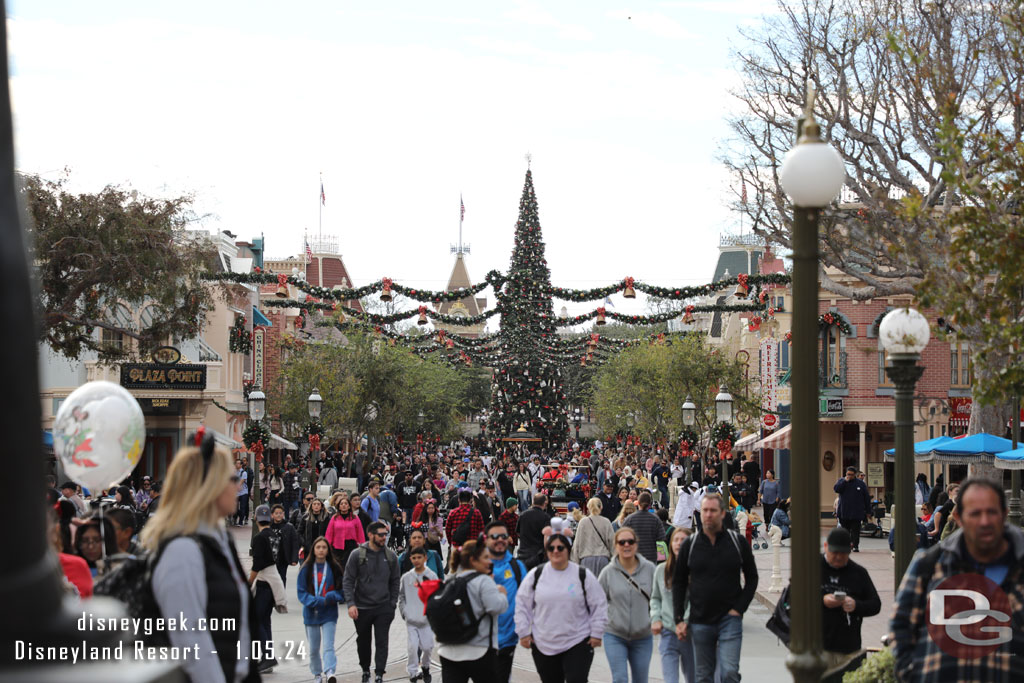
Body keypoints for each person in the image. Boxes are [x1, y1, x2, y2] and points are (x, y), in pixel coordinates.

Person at [142, 432, 260, 682]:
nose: (238, 484)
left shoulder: (219, 539)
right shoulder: (182, 551)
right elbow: (192, 648)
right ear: (210, 486)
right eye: (232, 478)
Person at [891, 477, 1024, 681]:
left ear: (1004, 515)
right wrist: (911, 674)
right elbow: (901, 625)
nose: (985, 521)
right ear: (958, 517)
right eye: (975, 513)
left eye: (991, 512)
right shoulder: (930, 564)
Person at [673, 493, 758, 683]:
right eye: (705, 510)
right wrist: (678, 618)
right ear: (699, 513)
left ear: (721, 514)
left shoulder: (737, 542)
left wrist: (739, 608)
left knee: (729, 673)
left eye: (713, 510)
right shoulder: (690, 544)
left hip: (730, 618)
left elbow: (752, 577)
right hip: (700, 619)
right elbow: (678, 581)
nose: (708, 515)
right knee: (703, 676)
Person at [515, 532, 608, 683]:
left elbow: (599, 604)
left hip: (577, 640)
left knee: (577, 679)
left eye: (560, 547)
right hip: (544, 642)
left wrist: (597, 632)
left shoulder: (582, 574)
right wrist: (523, 632)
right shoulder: (536, 575)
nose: (556, 551)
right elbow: (522, 605)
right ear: (546, 552)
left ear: (568, 550)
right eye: (551, 548)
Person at [437, 540, 509, 683]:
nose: (490, 562)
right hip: (479, 651)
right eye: (486, 558)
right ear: (473, 560)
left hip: (448, 652)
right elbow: (496, 607)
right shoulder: (483, 581)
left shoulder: (451, 581)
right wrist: (502, 594)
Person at [343, 520, 401, 683]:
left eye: (385, 534)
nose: (384, 538)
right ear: (370, 535)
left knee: (382, 641)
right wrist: (351, 604)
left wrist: (392, 603)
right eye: (381, 534)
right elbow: (348, 580)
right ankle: (365, 670)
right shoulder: (357, 555)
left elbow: (395, 581)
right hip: (362, 607)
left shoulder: (391, 556)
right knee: (363, 641)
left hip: (383, 607)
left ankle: (379, 673)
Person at [818, 527, 880, 672]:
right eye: (835, 552)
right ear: (826, 547)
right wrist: (822, 600)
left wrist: (855, 605)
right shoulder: (812, 567)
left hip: (848, 648)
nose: (839, 557)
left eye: (844, 553)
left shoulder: (858, 572)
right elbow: (793, 598)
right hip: (817, 647)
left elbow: (875, 604)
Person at [599, 526, 656, 683]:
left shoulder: (650, 570)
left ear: (636, 544)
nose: (626, 545)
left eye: (630, 541)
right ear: (615, 546)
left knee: (640, 680)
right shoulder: (608, 572)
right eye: (621, 542)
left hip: (643, 636)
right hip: (615, 635)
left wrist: (657, 619)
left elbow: (658, 598)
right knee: (620, 679)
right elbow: (597, 602)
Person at [297, 536, 344, 683]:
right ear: (313, 550)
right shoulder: (306, 568)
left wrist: (333, 596)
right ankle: (317, 674)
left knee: (328, 645)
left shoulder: (334, 567)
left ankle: (330, 671)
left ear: (328, 550)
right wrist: (314, 601)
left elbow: (342, 591)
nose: (321, 550)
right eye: (318, 547)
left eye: (324, 547)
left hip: (329, 613)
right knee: (313, 649)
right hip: (311, 613)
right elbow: (301, 592)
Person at [651, 528, 695, 683]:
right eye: (676, 540)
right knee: (670, 679)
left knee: (693, 678)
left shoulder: (696, 571)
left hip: (691, 634)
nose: (679, 543)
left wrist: (685, 622)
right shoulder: (661, 570)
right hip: (668, 632)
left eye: (683, 540)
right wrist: (655, 618)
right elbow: (655, 598)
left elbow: (696, 600)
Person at [399, 546, 438, 683]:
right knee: (412, 647)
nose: (416, 560)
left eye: (419, 557)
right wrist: (405, 612)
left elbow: (436, 595)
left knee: (427, 647)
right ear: (410, 559)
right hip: (412, 620)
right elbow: (402, 596)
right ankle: (413, 672)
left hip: (426, 620)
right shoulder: (406, 577)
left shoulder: (431, 576)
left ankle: (426, 666)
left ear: (425, 558)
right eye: (414, 558)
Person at [571, 497, 615, 576]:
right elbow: (612, 543)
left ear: (588, 507)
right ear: (601, 507)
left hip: (586, 558)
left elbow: (577, 544)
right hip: (603, 558)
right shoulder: (606, 522)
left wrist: (575, 562)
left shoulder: (583, 522)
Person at [833, 466, 871, 552]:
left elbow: (866, 498)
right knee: (845, 531)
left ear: (855, 475)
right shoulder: (841, 481)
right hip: (844, 512)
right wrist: (844, 481)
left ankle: (855, 546)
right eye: (848, 474)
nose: (849, 476)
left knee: (855, 530)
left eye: (851, 474)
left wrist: (868, 511)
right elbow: (836, 489)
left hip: (856, 512)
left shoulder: (860, 484)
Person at [326, 494, 366, 573]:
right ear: (339, 506)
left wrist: (363, 547)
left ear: (349, 506)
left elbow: (360, 533)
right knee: (338, 569)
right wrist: (327, 546)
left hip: (351, 546)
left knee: (350, 568)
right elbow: (329, 533)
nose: (344, 505)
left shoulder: (355, 518)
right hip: (337, 547)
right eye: (341, 504)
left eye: (346, 504)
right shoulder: (334, 518)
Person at [623, 491, 663, 565]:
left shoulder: (630, 519)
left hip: (634, 556)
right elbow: (662, 538)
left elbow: (622, 536)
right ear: (650, 503)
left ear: (638, 502)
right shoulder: (655, 519)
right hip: (651, 557)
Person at [446, 489, 486, 555]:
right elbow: (481, 530)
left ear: (459, 499)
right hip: (472, 546)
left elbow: (448, 530)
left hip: (457, 546)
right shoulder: (476, 513)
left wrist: (451, 542)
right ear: (470, 500)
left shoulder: (453, 513)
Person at [517, 493, 552, 570]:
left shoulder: (523, 515)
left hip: (523, 554)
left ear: (533, 502)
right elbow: (546, 538)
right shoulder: (545, 517)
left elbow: (518, 533)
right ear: (544, 503)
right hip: (538, 557)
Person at [269, 503, 300, 585]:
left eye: (280, 513)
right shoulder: (268, 527)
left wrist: (294, 559)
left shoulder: (289, 527)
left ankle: (281, 594)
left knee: (282, 577)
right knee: (271, 578)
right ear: (272, 515)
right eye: (276, 513)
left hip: (283, 557)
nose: (279, 515)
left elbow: (294, 543)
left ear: (283, 514)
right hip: (270, 558)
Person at [234, 458, 250, 525]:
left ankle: (240, 522)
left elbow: (241, 482)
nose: (236, 464)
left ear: (241, 465)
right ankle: (238, 517)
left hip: (243, 492)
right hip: (236, 493)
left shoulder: (244, 472)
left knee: (242, 507)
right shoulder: (234, 472)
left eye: (238, 463)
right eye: (236, 463)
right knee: (234, 508)